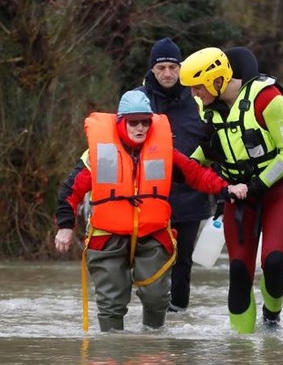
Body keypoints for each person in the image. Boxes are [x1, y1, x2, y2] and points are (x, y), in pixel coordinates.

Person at [53, 90, 247, 332]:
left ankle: (153, 347)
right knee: (111, 303)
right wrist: (65, 226)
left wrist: (226, 188)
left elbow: (196, 174)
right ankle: (113, 351)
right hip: (107, 237)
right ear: (121, 122)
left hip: (153, 234)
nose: (140, 127)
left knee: (157, 299)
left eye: (145, 121)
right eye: (133, 122)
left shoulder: (164, 151)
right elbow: (70, 190)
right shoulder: (98, 153)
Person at [179, 47, 283, 334]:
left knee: (274, 261)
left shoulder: (268, 99)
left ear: (216, 80)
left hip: (279, 184)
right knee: (239, 271)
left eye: (198, 87)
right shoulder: (207, 107)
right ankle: (240, 348)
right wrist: (186, 166)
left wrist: (257, 185)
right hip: (238, 191)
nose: (194, 94)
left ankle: (272, 318)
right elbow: (212, 145)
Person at [136, 37, 212, 313]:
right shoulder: (138, 99)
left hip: (192, 194)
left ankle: (179, 318)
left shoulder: (198, 98)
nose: (167, 74)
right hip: (149, 195)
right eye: (161, 68)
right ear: (152, 70)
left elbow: (215, 145)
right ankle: (152, 315)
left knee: (183, 262)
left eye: (172, 67)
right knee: (151, 258)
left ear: (181, 68)